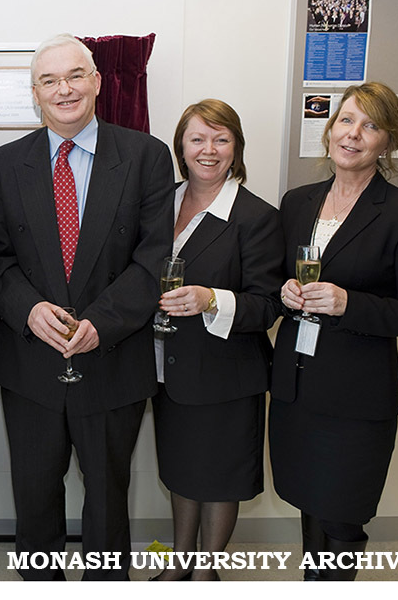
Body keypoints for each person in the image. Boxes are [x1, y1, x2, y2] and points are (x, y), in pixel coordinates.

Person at [0, 34, 173, 581]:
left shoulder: (145, 155)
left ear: (97, 81)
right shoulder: (6, 162)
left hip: (112, 359)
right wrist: (28, 310)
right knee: (34, 494)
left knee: (108, 496)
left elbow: (153, 258)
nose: (63, 89)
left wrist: (101, 323)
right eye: (49, 80)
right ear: (35, 94)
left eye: (74, 76)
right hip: (31, 362)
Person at [270, 81, 398, 581]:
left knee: (341, 514)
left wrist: (349, 303)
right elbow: (279, 277)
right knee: (307, 499)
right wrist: (285, 294)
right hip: (295, 388)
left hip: (357, 398)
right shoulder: (297, 202)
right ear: (330, 129)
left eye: (370, 125)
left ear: (388, 141)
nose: (354, 134)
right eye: (346, 120)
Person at [151, 100, 283, 581]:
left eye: (221, 139)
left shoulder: (256, 216)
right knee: (181, 471)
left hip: (228, 371)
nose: (209, 150)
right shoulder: (160, 202)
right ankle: (180, 561)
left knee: (219, 476)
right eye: (197, 139)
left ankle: (207, 572)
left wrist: (212, 299)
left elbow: (269, 304)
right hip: (169, 368)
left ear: (236, 148)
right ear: (180, 147)